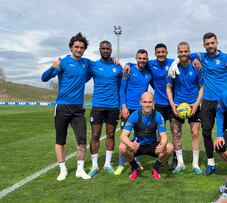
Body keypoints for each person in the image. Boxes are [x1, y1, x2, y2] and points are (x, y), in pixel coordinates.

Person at [168, 32, 227, 175]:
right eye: (207, 44)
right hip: (207, 102)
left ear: (217, 43)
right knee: (206, 132)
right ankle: (211, 163)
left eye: (212, 43)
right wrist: (175, 63)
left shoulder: (226, 58)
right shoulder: (201, 56)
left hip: (225, 102)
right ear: (204, 45)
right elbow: (184, 55)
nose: (210, 46)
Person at [41, 32, 92, 181]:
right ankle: (62, 170)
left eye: (82, 47)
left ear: (84, 49)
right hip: (62, 107)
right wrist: (52, 67)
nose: (79, 49)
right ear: (71, 47)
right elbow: (44, 78)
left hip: (78, 108)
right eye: (76, 46)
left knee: (82, 140)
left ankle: (80, 170)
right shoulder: (62, 62)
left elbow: (94, 70)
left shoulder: (86, 63)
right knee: (60, 140)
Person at [166, 42, 203, 175]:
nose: (183, 54)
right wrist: (172, 105)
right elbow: (168, 88)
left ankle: (195, 164)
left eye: (185, 51)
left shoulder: (196, 67)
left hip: (193, 105)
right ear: (177, 52)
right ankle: (180, 164)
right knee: (176, 133)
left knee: (195, 133)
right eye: (181, 51)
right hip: (177, 106)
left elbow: (201, 88)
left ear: (189, 51)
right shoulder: (173, 67)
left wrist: (196, 104)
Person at [119, 92, 174, 180]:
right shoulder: (135, 115)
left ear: (153, 103)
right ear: (140, 102)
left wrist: (162, 144)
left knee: (170, 147)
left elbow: (164, 136)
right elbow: (123, 136)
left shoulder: (158, 116)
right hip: (138, 146)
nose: (147, 105)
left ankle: (155, 168)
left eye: (149, 102)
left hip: (152, 146)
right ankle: (135, 167)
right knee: (122, 147)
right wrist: (130, 144)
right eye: (145, 102)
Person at [87, 40, 122, 176]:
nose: (105, 50)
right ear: (100, 50)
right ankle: (95, 166)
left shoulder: (117, 67)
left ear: (111, 50)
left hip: (113, 106)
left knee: (111, 134)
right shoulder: (94, 66)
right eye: (103, 48)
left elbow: (121, 87)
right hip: (97, 106)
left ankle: (107, 163)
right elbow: (82, 78)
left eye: (108, 48)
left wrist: (120, 106)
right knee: (95, 135)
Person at [115, 49, 152, 175]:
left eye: (144, 58)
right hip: (128, 109)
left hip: (141, 110)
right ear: (136, 58)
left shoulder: (149, 73)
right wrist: (123, 107)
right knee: (124, 137)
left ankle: (137, 162)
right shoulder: (129, 70)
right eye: (140, 58)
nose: (142, 60)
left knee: (139, 137)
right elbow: (122, 90)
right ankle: (121, 165)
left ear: (147, 59)